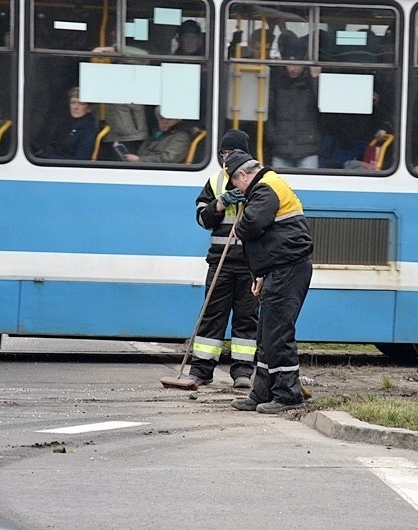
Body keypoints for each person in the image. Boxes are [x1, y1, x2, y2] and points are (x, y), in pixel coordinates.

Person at [222, 150, 313, 414]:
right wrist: (260, 275)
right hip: (280, 268)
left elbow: (252, 225)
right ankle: (261, 392)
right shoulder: (269, 185)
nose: (236, 189)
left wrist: (237, 228)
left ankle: (287, 395)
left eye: (235, 183)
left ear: (243, 174)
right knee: (266, 334)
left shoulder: (265, 187)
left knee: (278, 333)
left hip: (289, 268)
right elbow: (268, 241)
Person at [186, 130, 258, 389]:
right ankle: (201, 370)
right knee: (212, 315)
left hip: (250, 263)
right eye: (223, 154)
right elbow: (202, 219)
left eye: (231, 153)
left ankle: (242, 372)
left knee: (247, 318)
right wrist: (219, 203)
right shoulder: (215, 182)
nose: (227, 159)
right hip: (221, 260)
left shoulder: (259, 180)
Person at [266, 39, 320, 169]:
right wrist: (273, 137)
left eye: (297, 64)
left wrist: (315, 80)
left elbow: (322, 107)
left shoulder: (310, 82)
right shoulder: (276, 82)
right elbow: (269, 111)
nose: (293, 68)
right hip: (280, 148)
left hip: (308, 147)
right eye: (289, 64)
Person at [40, 87, 97, 160]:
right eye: (73, 102)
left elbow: (80, 160)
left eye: (81, 104)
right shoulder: (64, 124)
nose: (75, 107)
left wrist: (50, 158)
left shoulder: (89, 130)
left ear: (89, 108)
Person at [124, 107, 190, 163]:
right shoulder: (155, 134)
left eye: (169, 119)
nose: (165, 122)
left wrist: (139, 160)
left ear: (177, 120)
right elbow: (141, 153)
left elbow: (170, 158)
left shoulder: (181, 136)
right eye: (161, 118)